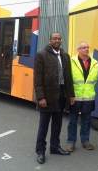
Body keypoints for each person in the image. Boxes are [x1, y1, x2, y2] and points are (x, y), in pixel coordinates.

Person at [34, 32, 75, 164]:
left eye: (59, 39)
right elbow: (37, 79)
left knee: (57, 124)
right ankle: (40, 151)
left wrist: (71, 95)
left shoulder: (65, 56)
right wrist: (40, 97)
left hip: (61, 95)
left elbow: (69, 78)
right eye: (54, 39)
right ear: (50, 40)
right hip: (47, 96)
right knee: (43, 126)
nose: (57, 41)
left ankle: (55, 147)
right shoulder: (42, 55)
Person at [67, 41, 98, 152]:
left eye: (87, 47)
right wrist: (70, 94)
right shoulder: (71, 62)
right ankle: (71, 142)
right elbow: (68, 80)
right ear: (78, 50)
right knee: (72, 121)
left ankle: (85, 141)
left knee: (86, 121)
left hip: (89, 97)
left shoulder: (95, 63)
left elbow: (94, 81)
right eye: (83, 47)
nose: (86, 49)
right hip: (75, 97)